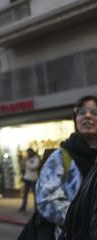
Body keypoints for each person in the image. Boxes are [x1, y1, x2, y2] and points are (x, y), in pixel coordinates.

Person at [36, 95, 97, 239]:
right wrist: (81, 220)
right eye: (81, 112)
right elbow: (46, 200)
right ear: (75, 120)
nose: (87, 116)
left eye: (95, 112)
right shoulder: (60, 157)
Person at [19, 147, 41, 213]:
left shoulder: (36, 158)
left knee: (35, 195)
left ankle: (36, 209)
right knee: (25, 194)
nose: (27, 153)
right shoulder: (28, 159)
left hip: (34, 179)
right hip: (27, 179)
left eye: (28, 152)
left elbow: (34, 167)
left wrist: (27, 163)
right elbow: (23, 166)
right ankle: (23, 207)